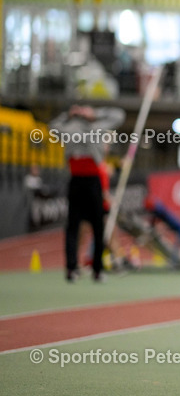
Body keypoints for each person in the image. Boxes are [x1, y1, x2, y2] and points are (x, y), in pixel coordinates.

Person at [49, 105, 125, 283]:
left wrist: (94, 113)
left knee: (96, 227)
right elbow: (52, 127)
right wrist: (68, 114)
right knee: (74, 227)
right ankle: (73, 268)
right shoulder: (74, 128)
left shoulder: (96, 127)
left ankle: (95, 269)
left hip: (92, 181)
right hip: (79, 180)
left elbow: (119, 115)